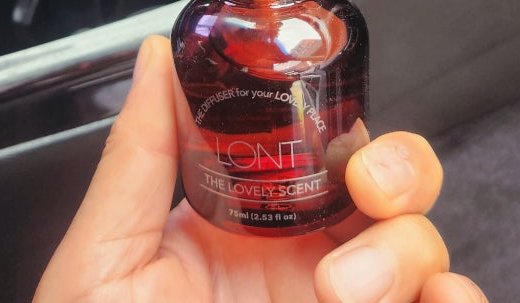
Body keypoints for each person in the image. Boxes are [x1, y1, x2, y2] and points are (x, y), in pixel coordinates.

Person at [34, 36, 488, 303]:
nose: (258, 160)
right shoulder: (201, 31)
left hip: (307, 237)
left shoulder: (326, 28)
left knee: (366, 180)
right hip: (208, 244)